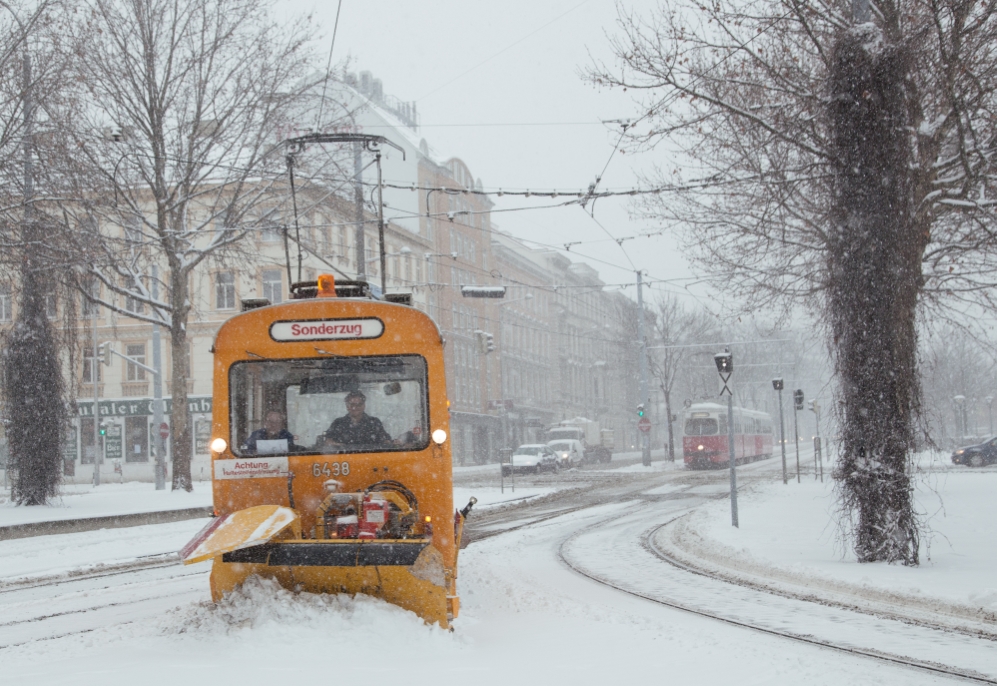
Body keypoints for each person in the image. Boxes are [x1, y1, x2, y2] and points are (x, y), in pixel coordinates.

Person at [320, 390, 392, 449]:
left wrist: (393, 442)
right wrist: (336, 445)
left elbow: (385, 441)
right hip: (344, 460)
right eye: (352, 405)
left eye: (359, 404)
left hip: (371, 460)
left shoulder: (374, 422)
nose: (355, 408)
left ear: (364, 406)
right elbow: (327, 441)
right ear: (347, 406)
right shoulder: (338, 423)